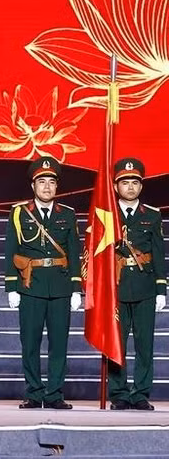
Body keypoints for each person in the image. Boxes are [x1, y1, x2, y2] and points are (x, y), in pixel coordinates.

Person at [4, 156, 82, 409]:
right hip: (30, 286)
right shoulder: (19, 213)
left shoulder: (67, 215)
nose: (47, 187)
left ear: (57, 186)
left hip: (59, 286)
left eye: (51, 182)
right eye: (41, 182)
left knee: (59, 344)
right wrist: (11, 286)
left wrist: (75, 288)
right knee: (30, 343)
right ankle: (34, 393)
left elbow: (74, 252)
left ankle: (54, 394)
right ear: (33, 186)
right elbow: (10, 250)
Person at [108, 158, 166, 411]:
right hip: (116, 287)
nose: (130, 187)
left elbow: (158, 253)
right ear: (115, 185)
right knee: (116, 342)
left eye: (134, 182)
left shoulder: (152, 215)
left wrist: (161, 288)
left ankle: (141, 393)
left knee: (145, 344)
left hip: (144, 287)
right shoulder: (106, 215)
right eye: (124, 182)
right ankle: (118, 393)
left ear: (141, 186)